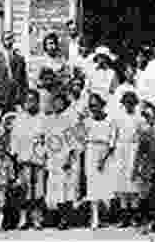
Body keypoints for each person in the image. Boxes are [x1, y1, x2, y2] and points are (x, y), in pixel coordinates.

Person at [11, 89, 46, 229]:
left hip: (38, 158)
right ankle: (23, 218)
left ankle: (37, 218)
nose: (30, 103)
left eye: (33, 100)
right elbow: (14, 139)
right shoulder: (19, 119)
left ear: (37, 102)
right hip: (23, 158)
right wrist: (15, 156)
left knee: (38, 191)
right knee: (24, 191)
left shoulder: (42, 118)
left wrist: (42, 153)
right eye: (28, 100)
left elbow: (46, 138)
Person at [44, 92, 80, 229]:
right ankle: (58, 217)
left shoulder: (69, 119)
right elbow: (46, 139)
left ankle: (66, 218)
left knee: (66, 189)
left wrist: (69, 159)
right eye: (55, 102)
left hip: (66, 159)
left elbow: (73, 141)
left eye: (60, 102)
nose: (57, 105)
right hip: (53, 158)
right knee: (55, 188)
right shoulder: (49, 120)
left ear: (65, 104)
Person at [84, 92, 117, 230]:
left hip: (105, 153)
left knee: (105, 186)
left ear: (102, 105)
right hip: (91, 150)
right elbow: (80, 137)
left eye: (95, 105)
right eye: (91, 106)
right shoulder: (87, 121)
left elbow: (112, 142)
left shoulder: (110, 121)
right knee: (92, 185)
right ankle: (95, 218)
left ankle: (106, 216)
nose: (93, 108)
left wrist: (103, 159)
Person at [113, 91, 145, 227]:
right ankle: (124, 216)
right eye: (127, 103)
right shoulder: (118, 118)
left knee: (133, 183)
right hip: (121, 150)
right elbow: (114, 136)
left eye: (132, 103)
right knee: (122, 184)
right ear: (123, 104)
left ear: (135, 104)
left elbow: (141, 137)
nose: (129, 106)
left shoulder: (139, 119)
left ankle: (134, 216)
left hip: (133, 149)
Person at [0, 31, 28, 111]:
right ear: (2, 41)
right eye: (6, 39)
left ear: (13, 40)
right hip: (1, 98)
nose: (8, 41)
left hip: (16, 97)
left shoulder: (20, 59)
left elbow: (24, 80)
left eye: (10, 39)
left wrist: (23, 98)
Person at [37, 33, 70, 115]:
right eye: (50, 43)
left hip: (59, 94)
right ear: (45, 46)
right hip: (46, 95)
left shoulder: (62, 59)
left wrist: (62, 80)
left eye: (54, 43)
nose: (52, 46)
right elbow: (36, 81)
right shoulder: (41, 61)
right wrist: (45, 82)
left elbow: (67, 77)